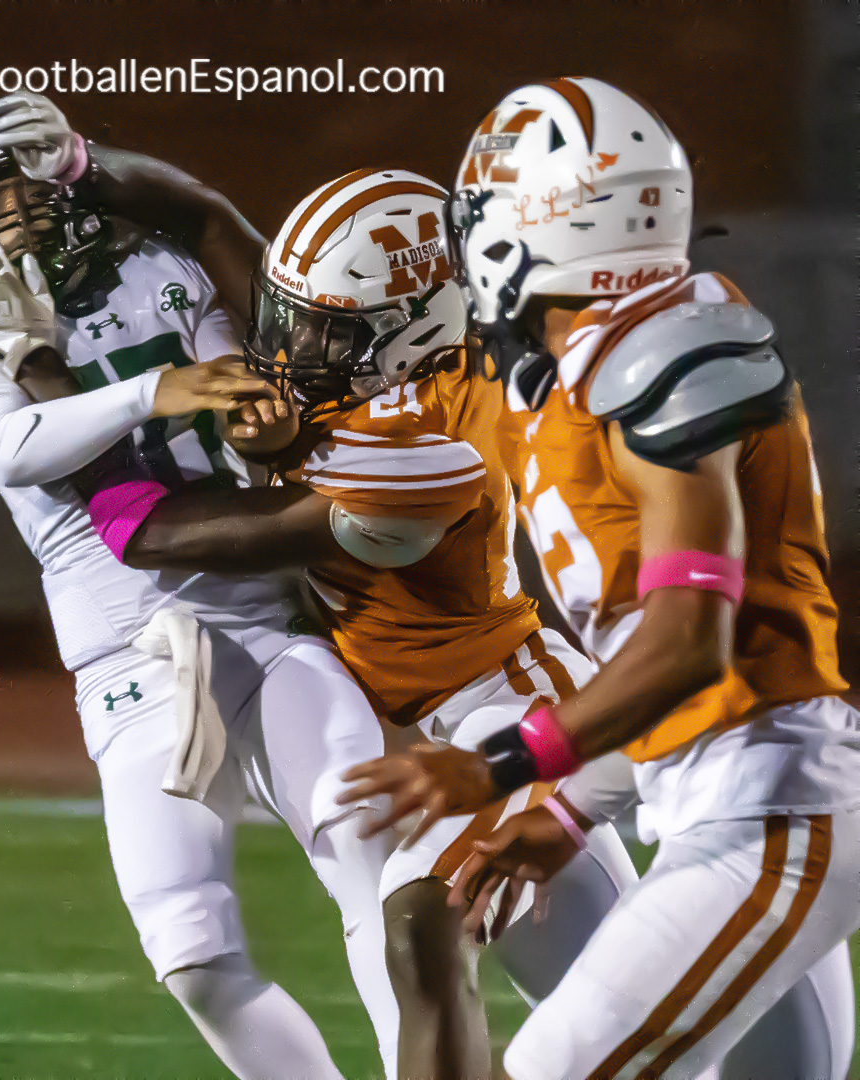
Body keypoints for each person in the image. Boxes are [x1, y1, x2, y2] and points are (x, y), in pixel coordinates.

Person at [0, 91, 638, 1080]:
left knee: (576, 999)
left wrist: (37, 367)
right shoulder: (370, 364)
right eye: (291, 316)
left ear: (412, 327)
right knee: (574, 1016)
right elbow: (202, 215)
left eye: (323, 329)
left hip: (503, 716)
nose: (288, 345)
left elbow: (151, 533)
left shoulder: (432, 443)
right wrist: (76, 167)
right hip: (424, 721)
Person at [339, 77, 860, 1080]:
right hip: (723, 804)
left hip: (774, 811)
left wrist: (500, 767)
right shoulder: (582, 373)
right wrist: (572, 810)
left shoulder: (667, 355)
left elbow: (687, 643)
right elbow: (667, 671)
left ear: (534, 225)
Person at [0, 102, 403, 1080]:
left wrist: (260, 421)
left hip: (262, 617)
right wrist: (148, 391)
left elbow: (248, 393)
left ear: (64, 185)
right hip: (126, 650)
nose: (4, 219)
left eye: (17, 190)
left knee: (374, 865)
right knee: (190, 948)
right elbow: (11, 445)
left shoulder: (158, 269)